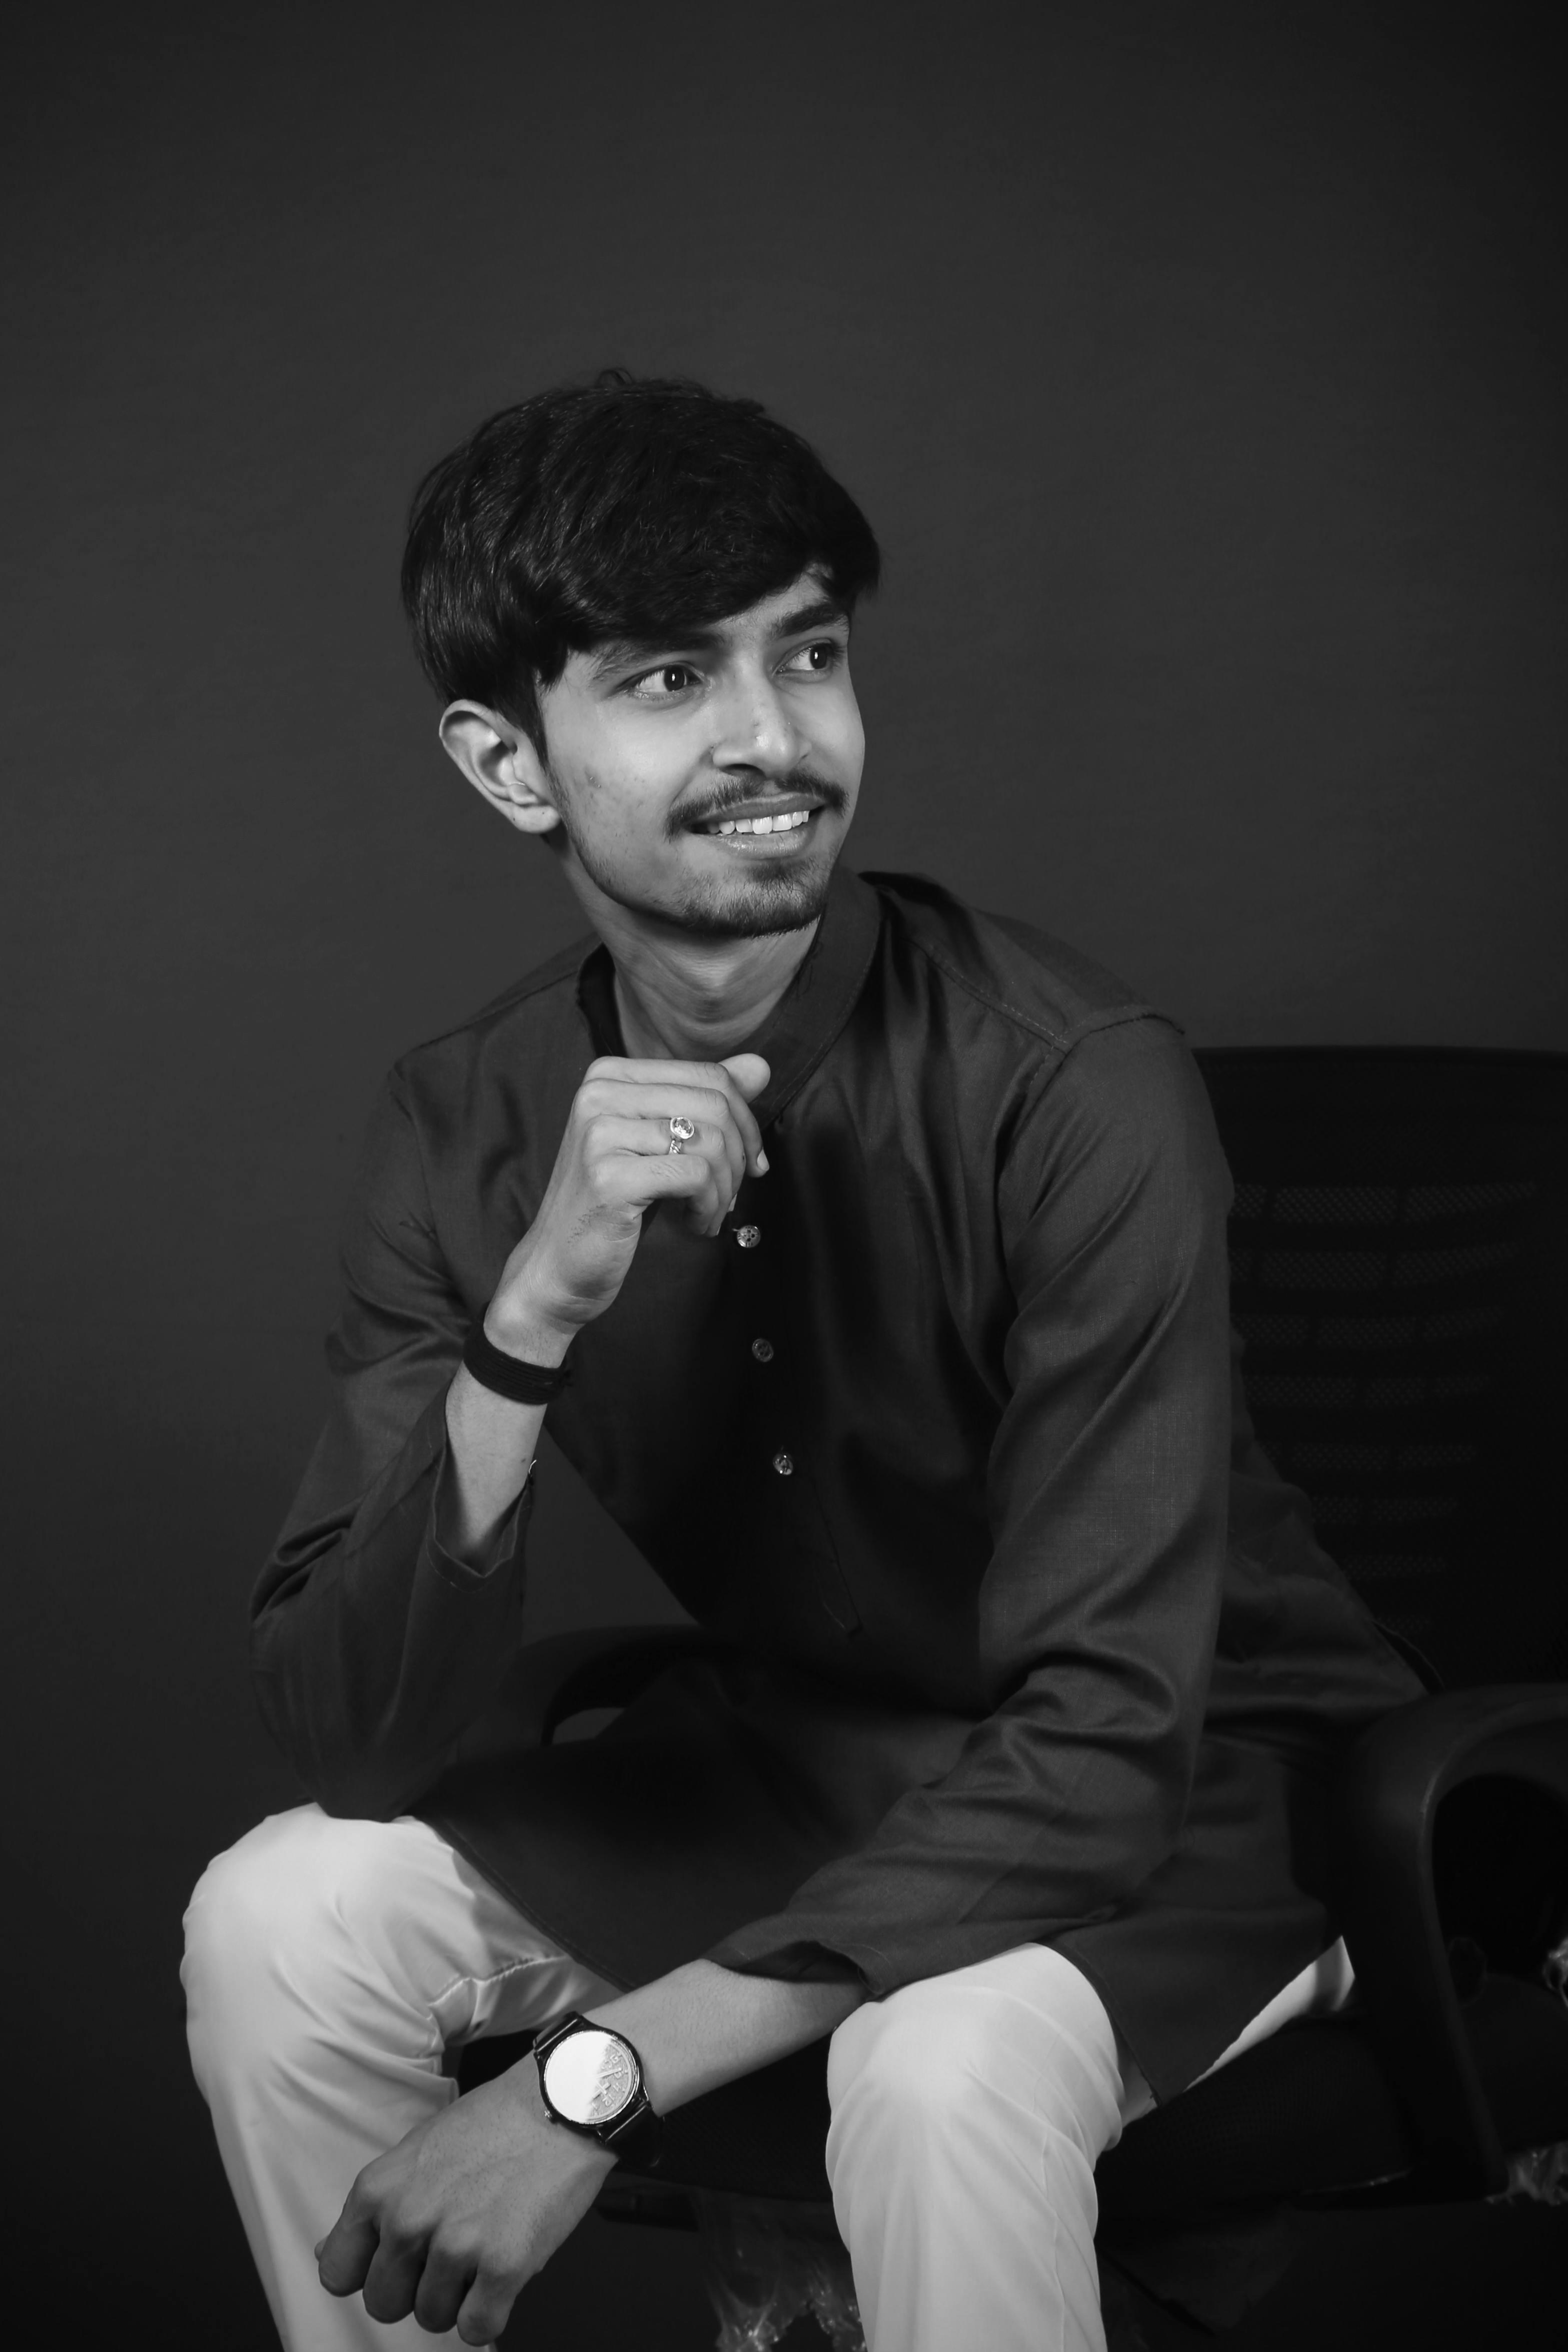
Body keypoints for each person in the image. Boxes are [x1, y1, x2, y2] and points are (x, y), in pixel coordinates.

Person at [182, 370, 1424, 2352]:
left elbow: (1107, 1741)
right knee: (280, 1911)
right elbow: (351, 1734)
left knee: (937, 2067)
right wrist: (529, 1323)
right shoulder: (463, 1124)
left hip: (1200, 1807)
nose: (777, 737)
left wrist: (587, 2084)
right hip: (789, 1777)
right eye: (672, 678)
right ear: (510, 765)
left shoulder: (1072, 1082)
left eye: (810, 653)